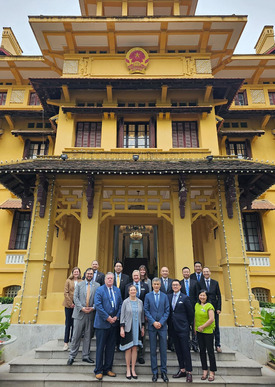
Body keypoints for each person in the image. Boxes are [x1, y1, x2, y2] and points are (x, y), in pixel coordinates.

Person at [67, 268, 99, 365]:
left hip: (90, 314)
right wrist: (81, 308)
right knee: (76, 336)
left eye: (91, 274)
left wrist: (93, 308)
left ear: (93, 275)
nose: (89, 275)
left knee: (88, 336)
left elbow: (98, 298)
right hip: (79, 314)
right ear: (85, 274)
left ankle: (86, 355)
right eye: (88, 273)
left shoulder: (97, 285)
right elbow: (75, 297)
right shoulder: (80, 284)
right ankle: (72, 356)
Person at [94, 272, 122, 381]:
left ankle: (108, 368)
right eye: (108, 278)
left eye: (111, 278)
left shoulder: (117, 290)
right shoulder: (100, 290)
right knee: (100, 347)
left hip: (113, 324)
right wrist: (108, 317)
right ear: (105, 280)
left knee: (110, 348)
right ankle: (98, 370)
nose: (110, 280)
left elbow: (120, 304)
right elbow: (98, 306)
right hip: (102, 324)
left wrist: (116, 317)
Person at [144, 277, 170, 382]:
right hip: (152, 326)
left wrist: (161, 322)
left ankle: (164, 372)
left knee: (163, 350)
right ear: (152, 285)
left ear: (160, 285)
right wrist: (153, 322)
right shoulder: (148, 296)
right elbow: (146, 310)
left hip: (162, 326)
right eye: (154, 284)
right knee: (153, 350)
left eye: (157, 284)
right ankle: (154, 372)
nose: (156, 286)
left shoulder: (165, 296)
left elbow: (167, 310)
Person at [168, 279, 194, 383]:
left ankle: (189, 372)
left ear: (180, 286)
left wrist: (187, 324)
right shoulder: (169, 297)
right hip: (173, 328)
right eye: (173, 285)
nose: (175, 286)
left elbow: (190, 313)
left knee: (185, 350)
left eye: (176, 285)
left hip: (183, 328)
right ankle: (182, 370)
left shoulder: (185, 297)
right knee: (178, 349)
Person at [120, 284, 145, 380]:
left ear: (137, 291)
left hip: (137, 327)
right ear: (129, 292)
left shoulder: (140, 302)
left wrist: (142, 327)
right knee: (128, 348)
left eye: (135, 290)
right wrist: (121, 328)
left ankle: (133, 369)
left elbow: (142, 315)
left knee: (135, 348)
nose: (133, 292)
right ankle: (128, 369)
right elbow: (122, 315)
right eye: (131, 290)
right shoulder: (125, 302)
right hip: (128, 327)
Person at [125, 270, 149, 364]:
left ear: (140, 276)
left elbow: (147, 301)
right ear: (132, 276)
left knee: (142, 335)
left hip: (141, 315)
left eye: (137, 275)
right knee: (130, 334)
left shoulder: (145, 286)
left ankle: (141, 355)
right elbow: (124, 301)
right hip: (130, 315)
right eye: (134, 275)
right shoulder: (128, 286)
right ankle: (130, 354)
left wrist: (146, 314)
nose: (136, 277)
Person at [195, 289, 217, 382]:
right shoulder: (196, 305)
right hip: (199, 331)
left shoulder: (209, 306)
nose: (202, 297)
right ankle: (204, 370)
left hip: (208, 331)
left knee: (210, 351)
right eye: (201, 295)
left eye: (204, 295)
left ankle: (212, 371)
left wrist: (203, 326)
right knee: (202, 351)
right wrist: (195, 329)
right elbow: (195, 317)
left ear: (207, 297)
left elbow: (211, 319)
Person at [199, 267, 222, 353]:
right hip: (204, 308)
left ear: (210, 272)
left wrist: (219, 308)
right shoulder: (200, 283)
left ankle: (217, 344)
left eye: (207, 272)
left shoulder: (215, 283)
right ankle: (207, 344)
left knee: (215, 326)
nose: (206, 273)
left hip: (214, 308)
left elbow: (219, 296)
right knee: (205, 325)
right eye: (204, 272)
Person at [180, 266, 199, 352]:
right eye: (184, 272)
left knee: (194, 326)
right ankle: (187, 343)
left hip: (194, 307)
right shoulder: (180, 283)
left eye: (187, 272)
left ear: (189, 273)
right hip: (183, 308)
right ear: (182, 273)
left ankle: (195, 344)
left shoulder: (195, 283)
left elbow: (197, 295)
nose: (186, 273)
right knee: (186, 326)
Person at [62, 267, 82, 351]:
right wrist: (71, 303)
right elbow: (65, 293)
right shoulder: (68, 281)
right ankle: (66, 343)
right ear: (72, 273)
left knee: (75, 324)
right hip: (68, 305)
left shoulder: (82, 281)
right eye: (75, 272)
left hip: (77, 306)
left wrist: (77, 304)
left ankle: (73, 342)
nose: (76, 273)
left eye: (77, 272)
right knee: (68, 324)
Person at [159, 266, 174, 351]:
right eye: (163, 271)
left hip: (171, 307)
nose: (165, 272)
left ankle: (170, 344)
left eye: (166, 271)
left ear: (168, 273)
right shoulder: (158, 281)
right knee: (162, 327)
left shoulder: (172, 281)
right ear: (161, 273)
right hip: (161, 308)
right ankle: (162, 345)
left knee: (171, 327)